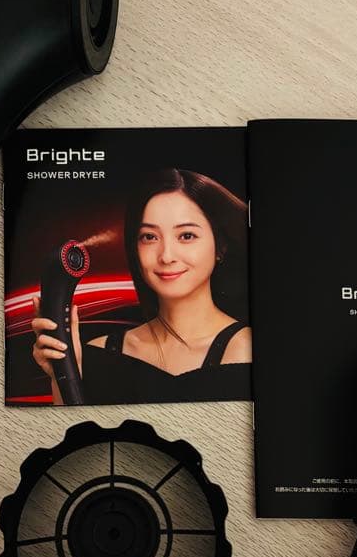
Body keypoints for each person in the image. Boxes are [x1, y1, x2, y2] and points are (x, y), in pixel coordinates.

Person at [31, 168, 251, 404]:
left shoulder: (247, 349)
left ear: (220, 247)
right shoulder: (97, 353)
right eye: (149, 237)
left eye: (186, 236)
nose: (166, 256)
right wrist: (63, 376)